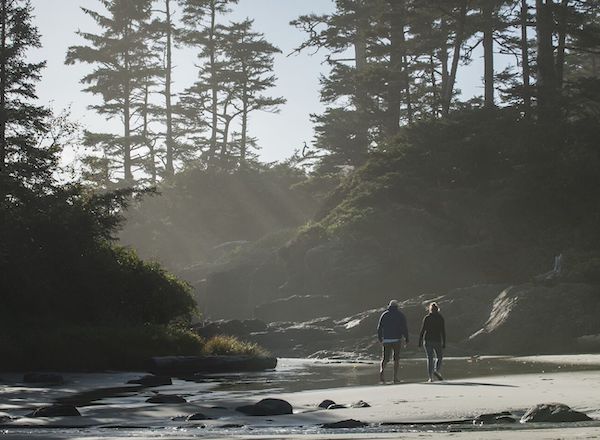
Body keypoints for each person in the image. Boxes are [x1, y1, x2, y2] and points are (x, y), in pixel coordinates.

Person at [377, 299, 409, 383]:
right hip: (397, 339)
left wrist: (380, 339)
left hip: (386, 340)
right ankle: (395, 377)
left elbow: (379, 328)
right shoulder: (400, 315)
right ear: (397, 306)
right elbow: (404, 328)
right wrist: (406, 338)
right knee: (396, 359)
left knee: (385, 358)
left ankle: (382, 372)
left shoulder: (384, 315)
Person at [418, 302, 446, 382]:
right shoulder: (440, 318)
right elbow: (443, 331)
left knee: (430, 359)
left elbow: (422, 330)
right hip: (437, 340)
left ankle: (430, 378)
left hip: (428, 340)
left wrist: (420, 341)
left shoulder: (427, 318)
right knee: (439, 357)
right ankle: (436, 371)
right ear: (437, 309)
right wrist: (444, 342)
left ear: (430, 309)